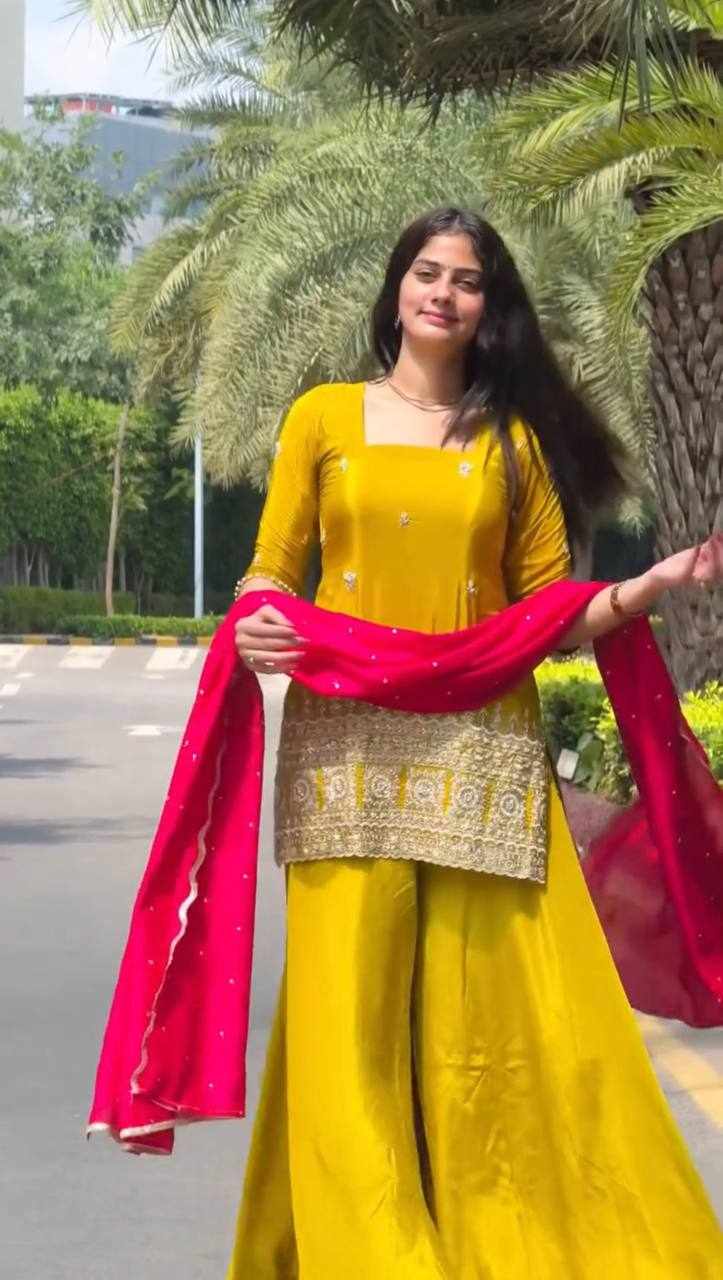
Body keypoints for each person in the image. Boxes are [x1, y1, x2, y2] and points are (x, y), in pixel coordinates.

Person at [228, 208, 723, 1278]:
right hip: (345, 748)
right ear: (397, 288)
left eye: (465, 281)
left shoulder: (512, 447)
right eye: (426, 272)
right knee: (345, 1021)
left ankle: (509, 1238)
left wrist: (648, 584)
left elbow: (550, 612)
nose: (442, 294)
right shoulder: (323, 418)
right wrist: (258, 614)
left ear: (488, 309)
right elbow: (272, 566)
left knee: (492, 1025)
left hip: (477, 753)